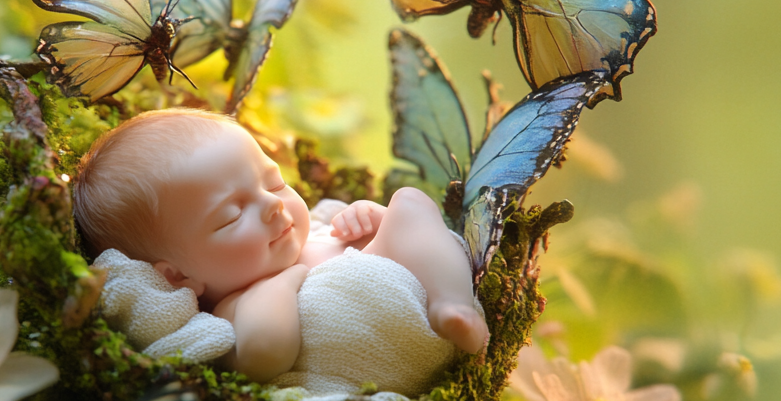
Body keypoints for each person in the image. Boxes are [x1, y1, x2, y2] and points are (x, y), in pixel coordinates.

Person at [74, 109, 489, 386]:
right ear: (179, 275)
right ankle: (449, 305)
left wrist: (369, 220)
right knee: (412, 209)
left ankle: (452, 306)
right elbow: (266, 353)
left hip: (418, 303)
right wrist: (289, 277)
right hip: (369, 346)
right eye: (232, 215)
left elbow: (399, 244)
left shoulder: (319, 230)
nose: (273, 205)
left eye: (273, 183)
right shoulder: (235, 307)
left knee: (410, 203)